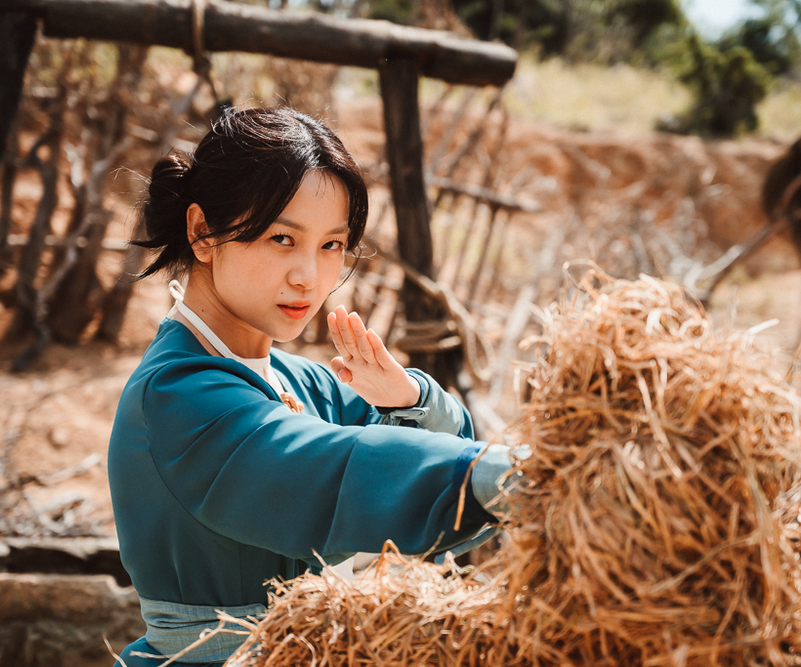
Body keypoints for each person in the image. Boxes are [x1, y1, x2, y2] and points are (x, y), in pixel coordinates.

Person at [107, 106, 512, 667]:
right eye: (281, 238)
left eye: (330, 245)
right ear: (203, 232)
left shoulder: (303, 379)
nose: (310, 276)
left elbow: (447, 446)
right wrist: (517, 475)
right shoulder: (177, 394)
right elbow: (331, 470)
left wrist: (408, 400)